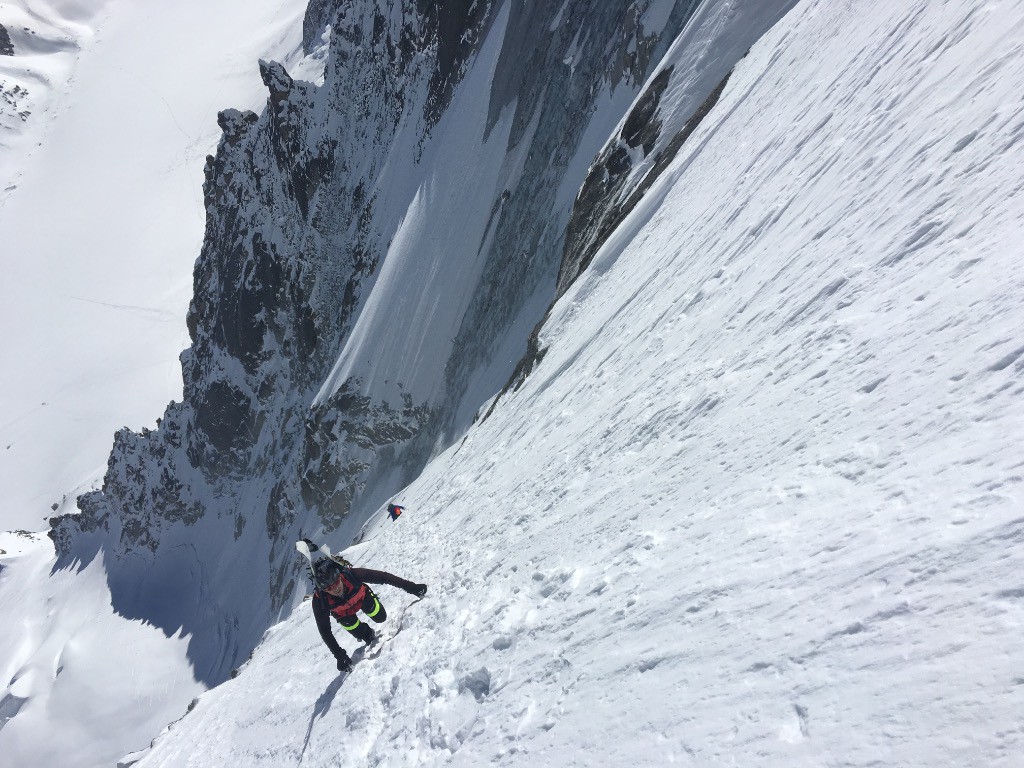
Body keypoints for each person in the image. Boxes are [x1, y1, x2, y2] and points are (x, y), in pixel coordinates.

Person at [310, 555, 426, 671]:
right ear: (323, 589)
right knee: (363, 635)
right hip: (344, 615)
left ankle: (368, 626)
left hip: (362, 599)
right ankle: (367, 633)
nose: (335, 589)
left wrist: (412, 587)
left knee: (381, 617)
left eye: (335, 582)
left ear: (339, 576)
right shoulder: (320, 601)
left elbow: (383, 577)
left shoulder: (352, 575)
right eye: (328, 588)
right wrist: (339, 655)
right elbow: (324, 630)